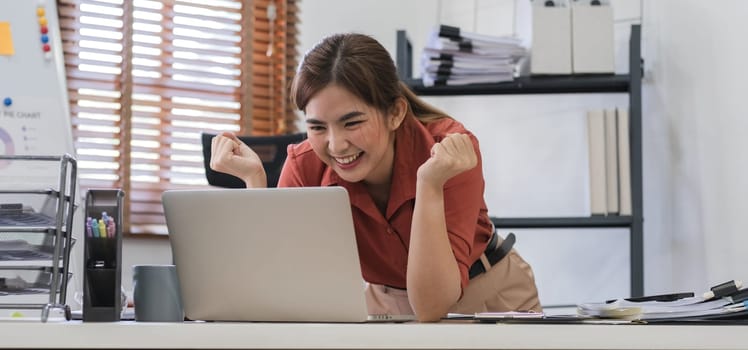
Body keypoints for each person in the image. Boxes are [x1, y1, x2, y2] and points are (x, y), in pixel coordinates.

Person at [210, 33, 541, 322]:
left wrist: (428, 184)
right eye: (317, 127)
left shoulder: (448, 151)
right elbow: (278, 285)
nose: (336, 145)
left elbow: (430, 306)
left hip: (491, 297)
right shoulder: (304, 165)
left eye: (352, 123)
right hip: (384, 305)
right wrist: (255, 183)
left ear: (396, 113)